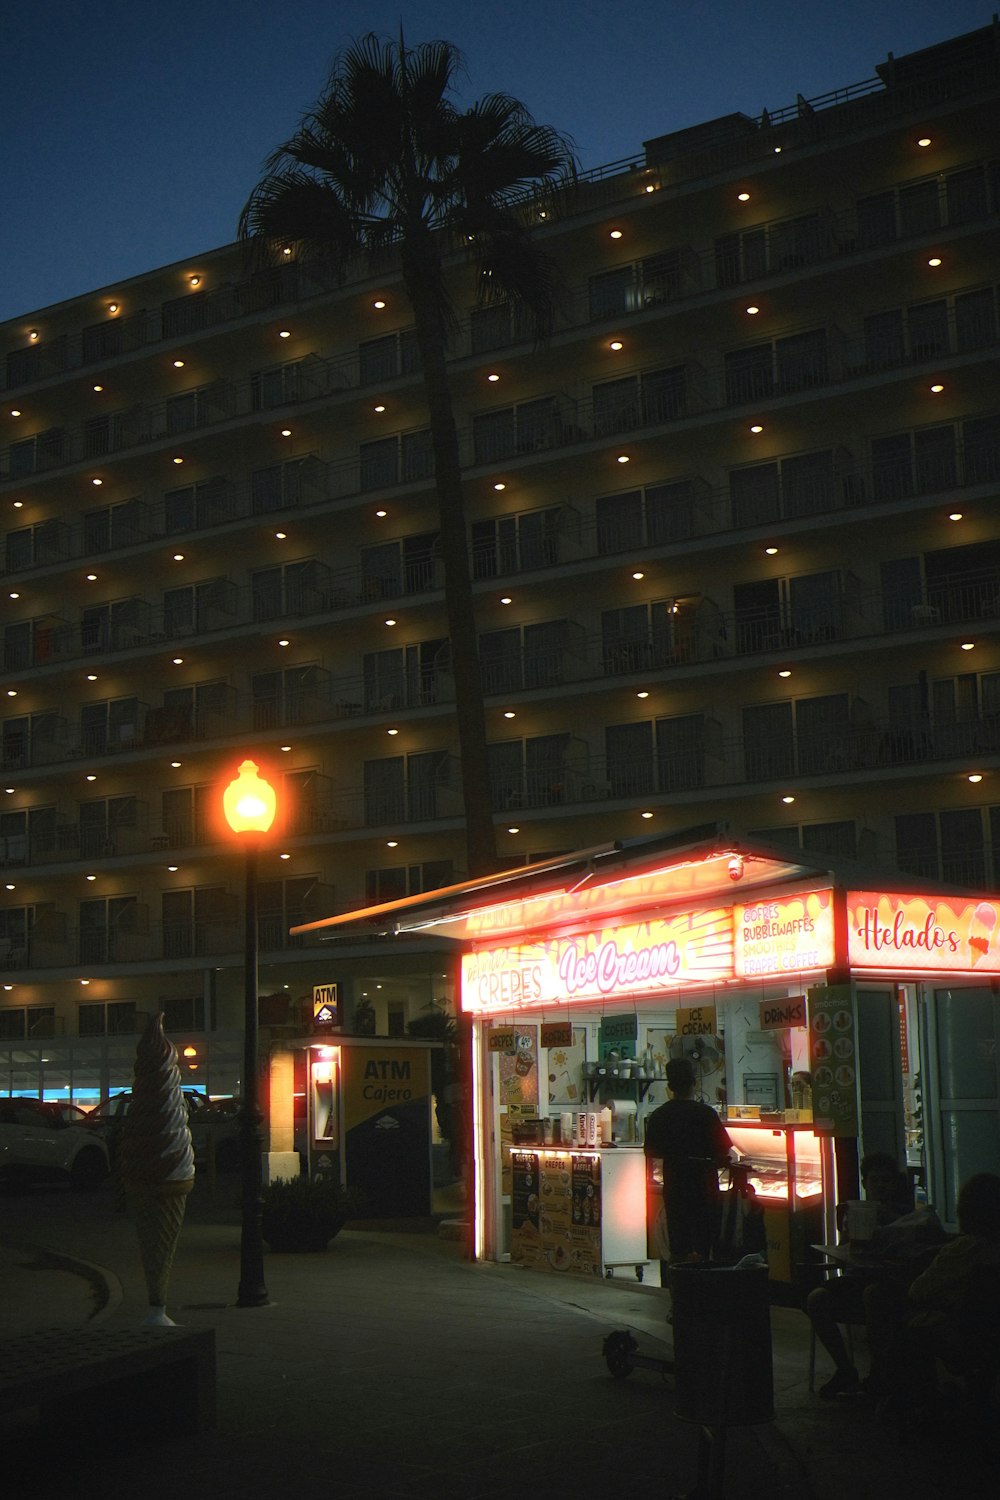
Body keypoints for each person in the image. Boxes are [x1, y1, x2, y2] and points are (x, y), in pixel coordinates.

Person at [868, 1171, 1000, 1422]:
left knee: (896, 1314)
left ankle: (912, 1398)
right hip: (991, 1337)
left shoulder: (965, 1249)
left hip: (964, 1336)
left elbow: (919, 1291)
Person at [806, 1150, 911, 1398]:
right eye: (875, 1179)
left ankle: (879, 1373)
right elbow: (847, 1250)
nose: (881, 1185)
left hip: (889, 1283)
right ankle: (845, 1369)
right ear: (865, 1182)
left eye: (886, 1180)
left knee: (873, 1296)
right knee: (816, 1299)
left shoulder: (908, 1216)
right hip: (857, 1279)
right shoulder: (855, 1212)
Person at [643, 1056, 733, 1263]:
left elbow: (650, 1152)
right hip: (704, 1184)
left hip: (675, 1183)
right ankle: (703, 1282)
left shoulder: (660, 1115)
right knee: (704, 1237)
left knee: (678, 1237)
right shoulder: (706, 1114)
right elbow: (724, 1151)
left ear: (670, 1086)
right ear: (694, 1083)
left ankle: (679, 1282)